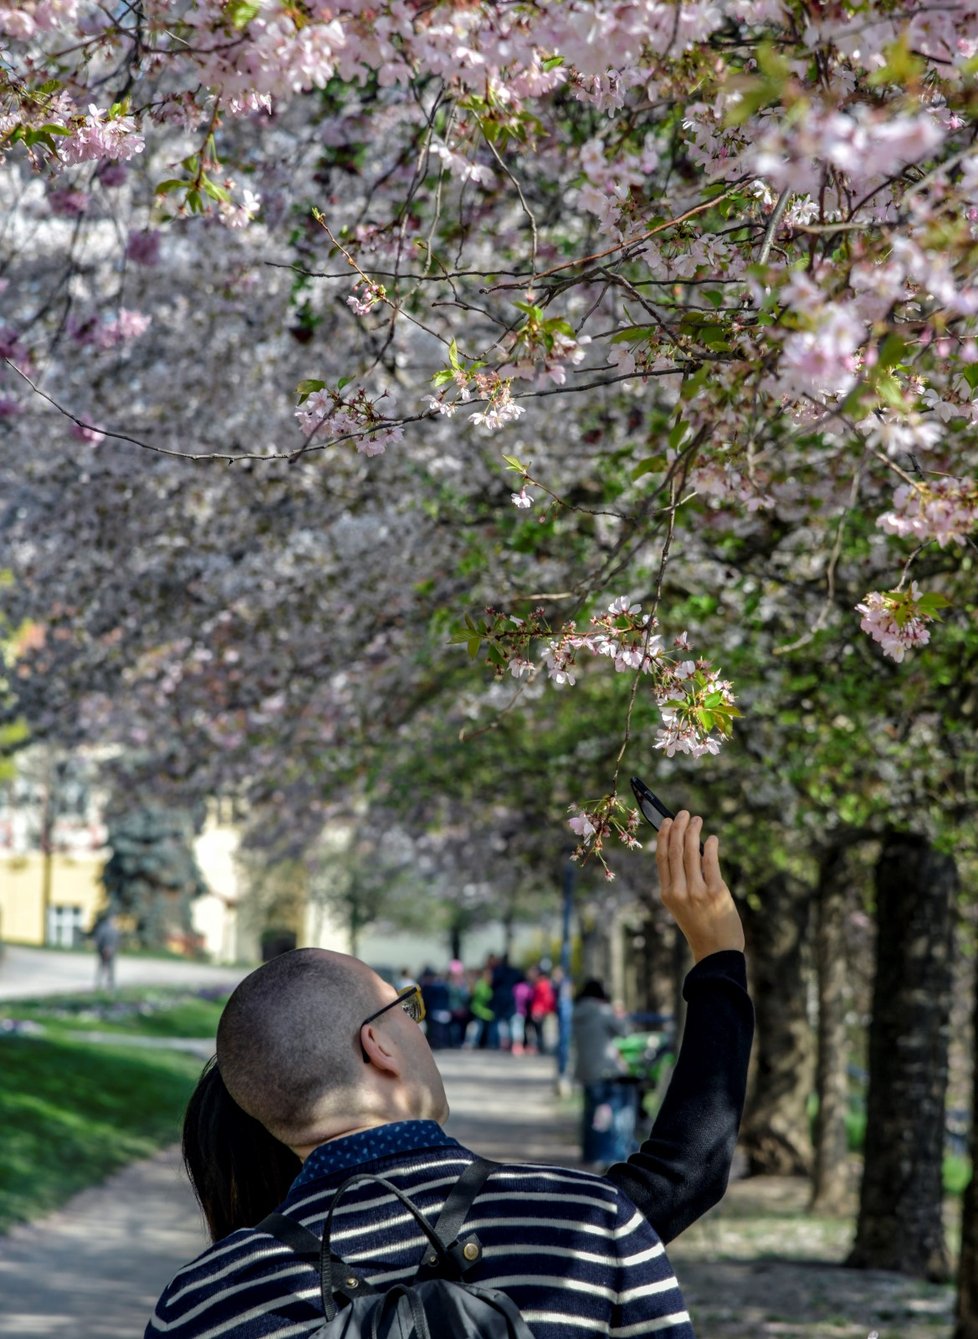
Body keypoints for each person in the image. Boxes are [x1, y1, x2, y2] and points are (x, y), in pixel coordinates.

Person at [147, 811, 752, 1338]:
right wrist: (718, 959)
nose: (425, 1026)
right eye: (405, 1007)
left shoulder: (202, 1302)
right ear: (377, 1045)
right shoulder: (585, 1228)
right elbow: (686, 1169)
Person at [572, 977, 638, 1167]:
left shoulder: (577, 1012)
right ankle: (614, 1156)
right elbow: (625, 1031)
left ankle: (591, 1154)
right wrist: (620, 1014)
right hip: (606, 1071)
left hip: (585, 1071)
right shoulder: (603, 1011)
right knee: (612, 1115)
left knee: (590, 1115)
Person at [91, 910, 120, 990]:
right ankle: (98, 984)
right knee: (101, 967)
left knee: (111, 968)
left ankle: (110, 985)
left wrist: (114, 947)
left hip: (112, 951)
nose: (115, 921)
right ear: (110, 919)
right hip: (103, 951)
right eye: (114, 919)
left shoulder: (114, 928)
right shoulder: (103, 928)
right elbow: (98, 940)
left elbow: (117, 940)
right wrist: (103, 948)